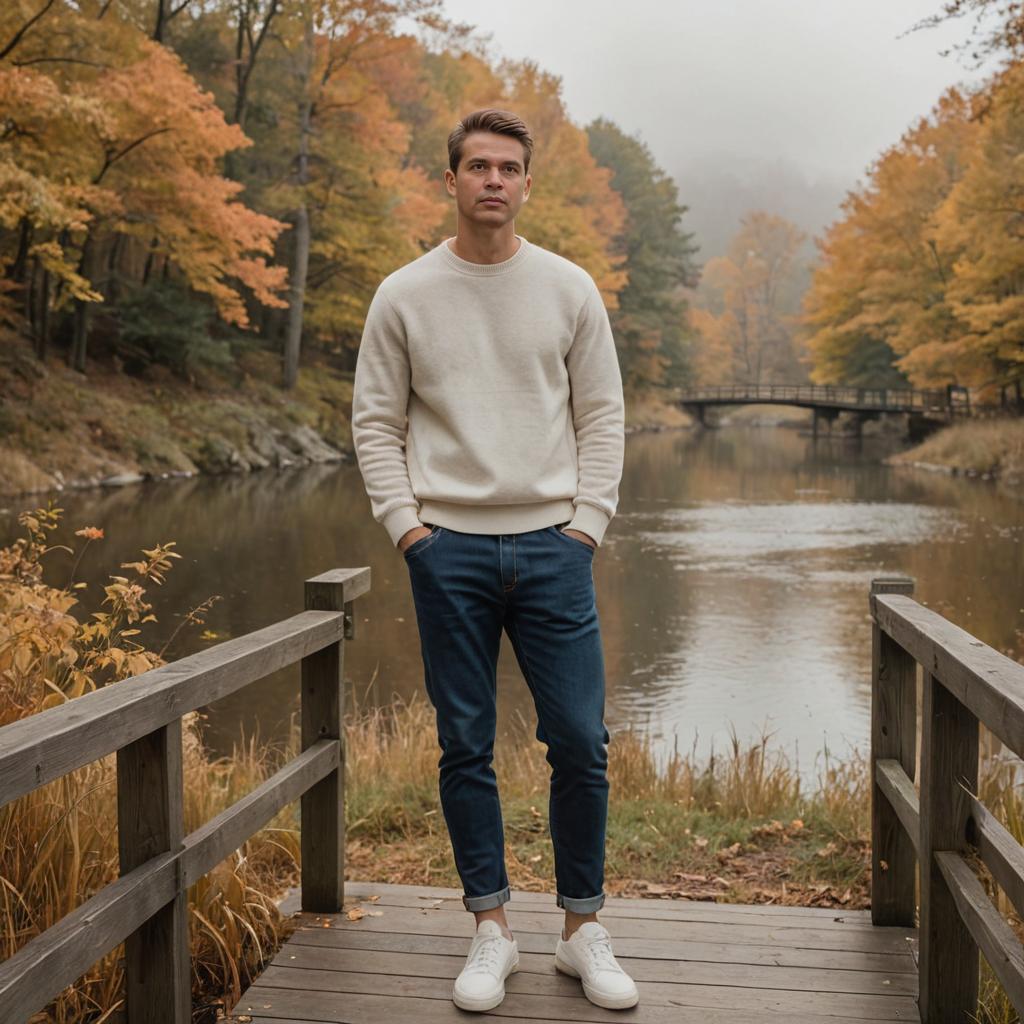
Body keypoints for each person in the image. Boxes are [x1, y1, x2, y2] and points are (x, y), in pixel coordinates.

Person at [351, 108, 638, 1013]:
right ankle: (491, 929)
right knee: (464, 744)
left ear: (525, 183)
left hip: (556, 549)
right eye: (476, 166)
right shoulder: (404, 294)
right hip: (450, 551)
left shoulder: (568, 288)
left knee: (581, 742)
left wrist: (587, 523)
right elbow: (374, 421)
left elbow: (601, 415)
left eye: (508, 168)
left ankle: (583, 929)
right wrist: (409, 531)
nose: (492, 181)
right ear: (451, 180)